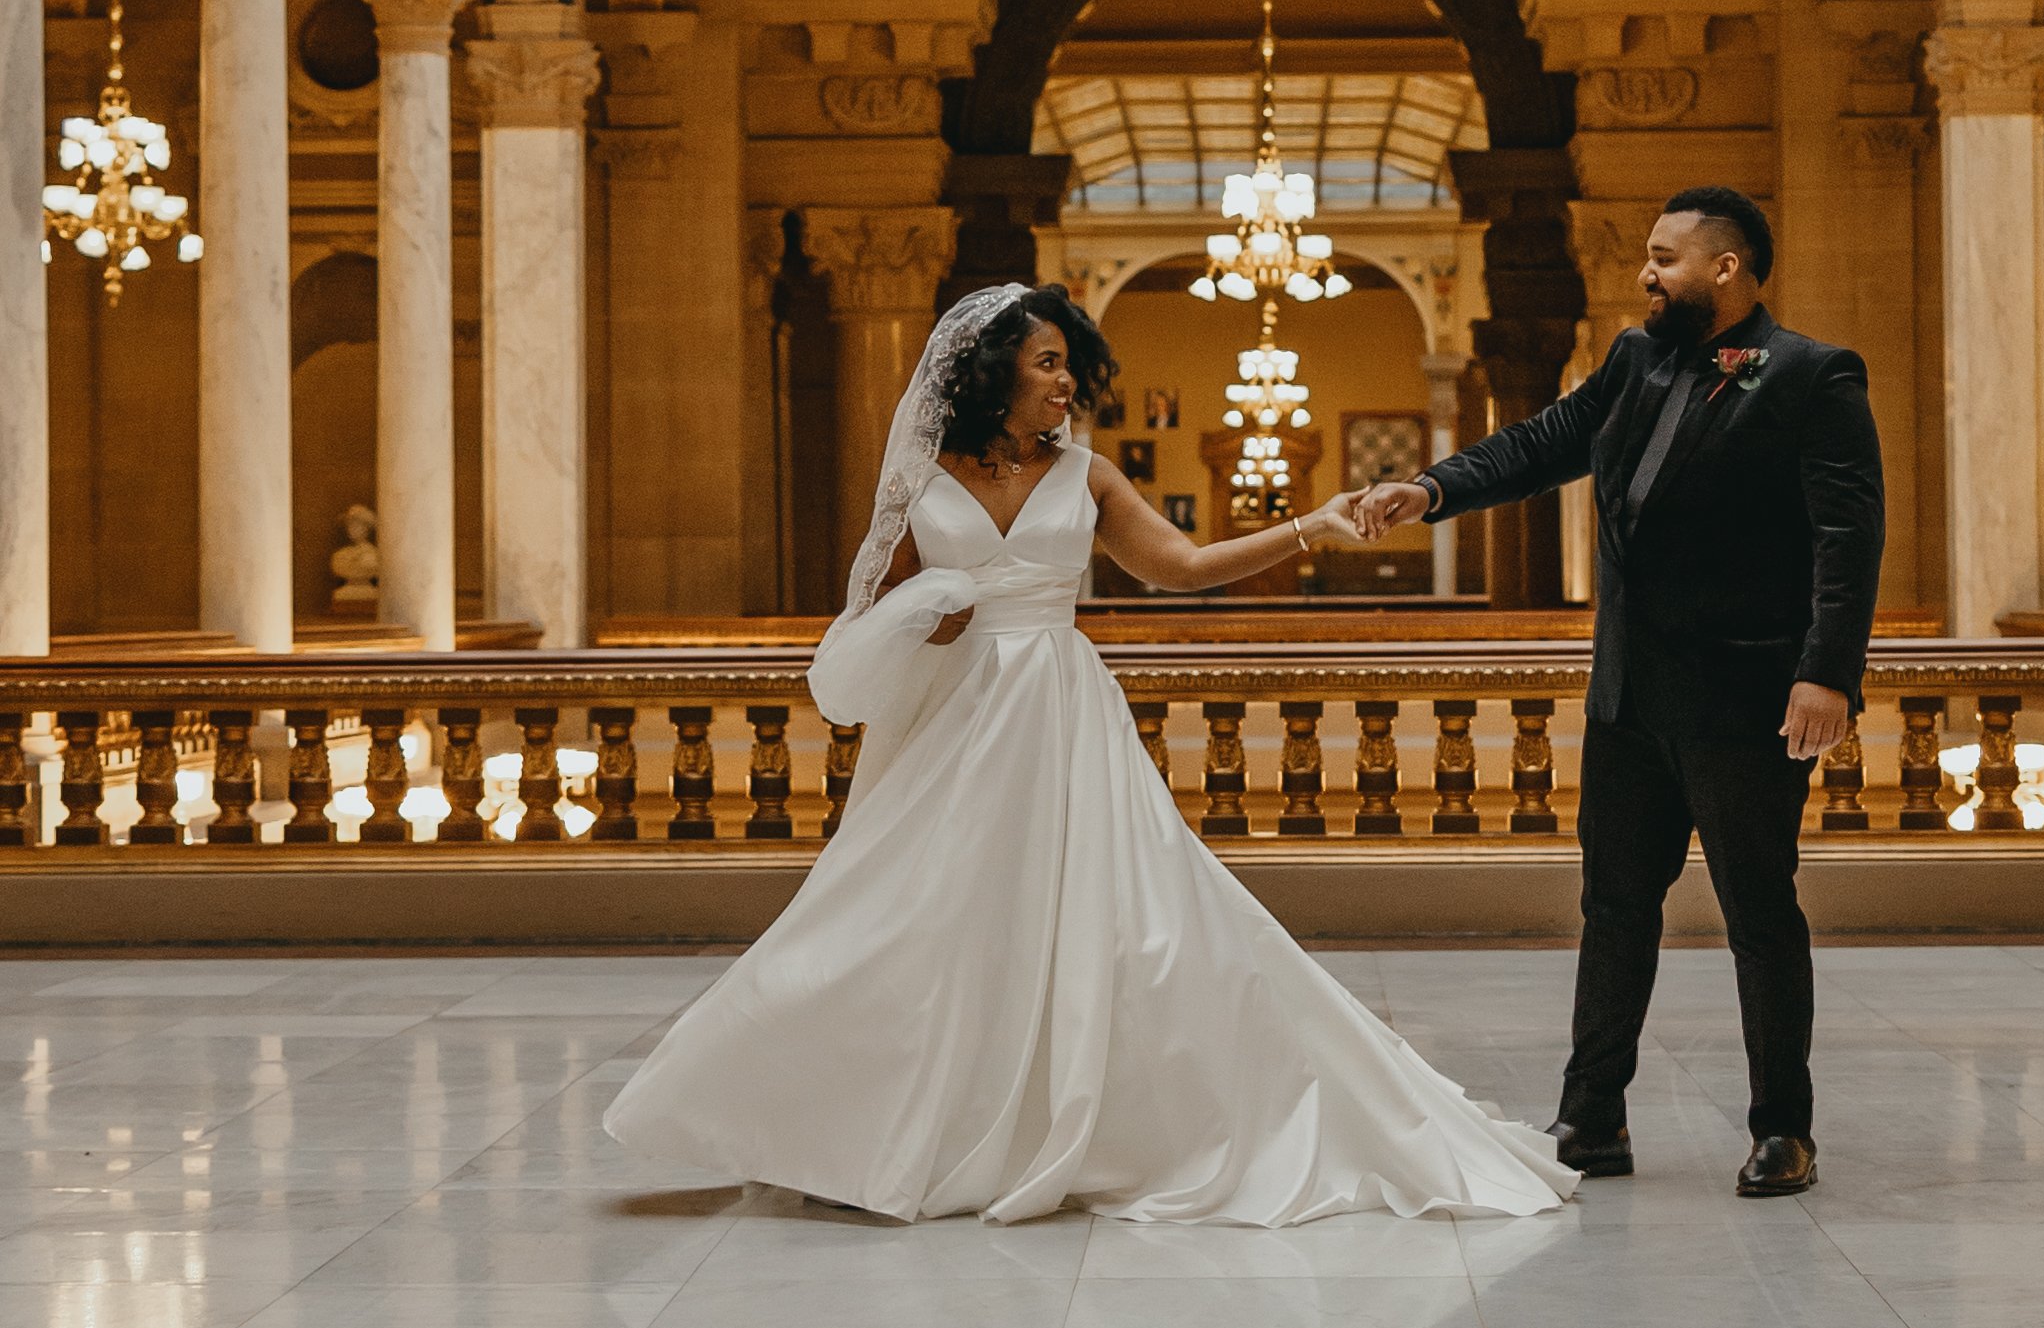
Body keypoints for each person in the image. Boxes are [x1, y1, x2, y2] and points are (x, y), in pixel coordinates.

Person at [605, 283, 1574, 1227]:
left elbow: (1182, 568)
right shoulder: (923, 476)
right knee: (909, 914)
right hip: (960, 720)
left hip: (1061, 711)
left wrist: (1304, 528)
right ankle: (843, 1122)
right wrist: (925, 609)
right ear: (995, 374)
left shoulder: (1088, 475)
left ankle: (1090, 1118)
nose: (1066, 382)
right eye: (1046, 363)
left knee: (1120, 920)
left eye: (1069, 364)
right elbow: (880, 617)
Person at [1350, 187, 1882, 1199]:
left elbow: (1845, 539)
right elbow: (1539, 443)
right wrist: (1431, 488)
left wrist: (1826, 672)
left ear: (1725, 269)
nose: (1646, 274)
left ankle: (1783, 1129)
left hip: (1746, 698)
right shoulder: (1636, 361)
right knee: (1614, 906)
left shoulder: (1813, 376)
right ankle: (1592, 1116)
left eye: (1664, 257)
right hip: (1630, 699)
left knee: (1759, 910)